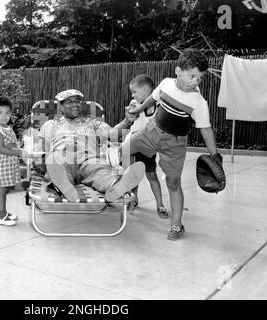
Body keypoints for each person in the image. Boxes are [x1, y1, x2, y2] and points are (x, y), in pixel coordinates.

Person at [121, 48, 222, 240]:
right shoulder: (166, 84)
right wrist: (140, 109)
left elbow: (206, 129)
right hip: (152, 131)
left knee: (173, 182)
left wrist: (215, 155)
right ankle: (112, 182)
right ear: (178, 71)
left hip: (174, 144)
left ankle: (176, 225)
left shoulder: (198, 102)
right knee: (124, 148)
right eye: (191, 75)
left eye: (199, 78)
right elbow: (154, 97)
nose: (195, 81)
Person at [38, 89, 146, 203]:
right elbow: (41, 149)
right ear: (61, 107)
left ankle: (115, 187)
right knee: (56, 162)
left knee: (100, 169)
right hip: (63, 157)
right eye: (69, 102)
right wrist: (43, 162)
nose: (75, 104)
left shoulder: (93, 124)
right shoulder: (50, 125)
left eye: (77, 101)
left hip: (89, 159)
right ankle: (63, 186)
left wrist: (127, 121)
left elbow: (112, 135)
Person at [122, 74, 168, 219]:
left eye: (135, 91)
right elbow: (130, 117)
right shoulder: (135, 104)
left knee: (151, 175)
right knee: (133, 175)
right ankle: (133, 199)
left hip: (148, 146)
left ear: (147, 90)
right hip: (132, 143)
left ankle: (160, 204)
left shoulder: (158, 106)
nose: (132, 95)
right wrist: (130, 111)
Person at [0, 95, 32, 226]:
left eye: (7, 113)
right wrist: (18, 151)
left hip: (8, 165)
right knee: (1, 191)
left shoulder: (7, 128)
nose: (4, 116)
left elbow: (11, 144)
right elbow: (1, 149)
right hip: (1, 165)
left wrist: (20, 145)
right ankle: (0, 216)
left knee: (5, 190)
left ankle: (4, 213)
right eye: (0, 113)